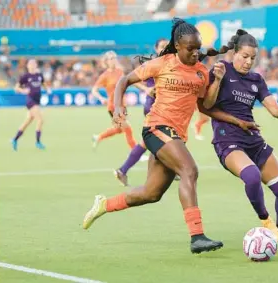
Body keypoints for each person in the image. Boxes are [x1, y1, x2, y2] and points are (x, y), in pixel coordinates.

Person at [82, 18, 248, 254]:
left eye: (197, 49)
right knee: (189, 170)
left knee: (152, 193)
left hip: (175, 135)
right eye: (190, 49)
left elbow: (206, 105)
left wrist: (218, 81)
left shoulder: (201, 72)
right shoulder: (162, 63)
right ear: (177, 46)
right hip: (156, 128)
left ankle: (104, 204)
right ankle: (197, 236)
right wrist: (118, 107)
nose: (195, 53)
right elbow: (124, 80)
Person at [199, 29, 278, 243]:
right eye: (245, 56)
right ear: (234, 53)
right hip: (228, 140)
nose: (248, 62)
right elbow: (206, 106)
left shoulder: (256, 80)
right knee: (252, 176)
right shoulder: (221, 70)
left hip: (254, 141)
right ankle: (266, 221)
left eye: (252, 58)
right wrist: (218, 80)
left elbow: (274, 111)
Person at [114, 39, 169, 186]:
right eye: (162, 46)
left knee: (156, 140)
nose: (166, 48)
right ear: (156, 49)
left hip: (166, 108)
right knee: (163, 139)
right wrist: (146, 89)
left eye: (168, 46)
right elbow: (129, 78)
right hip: (154, 107)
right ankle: (168, 168)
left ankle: (123, 170)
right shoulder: (152, 63)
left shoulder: (172, 63)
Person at [91, 51, 136, 149]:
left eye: (115, 58)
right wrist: (101, 98)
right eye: (111, 58)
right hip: (113, 107)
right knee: (127, 128)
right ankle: (136, 153)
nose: (114, 60)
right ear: (106, 61)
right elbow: (94, 90)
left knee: (119, 129)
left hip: (122, 105)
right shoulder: (105, 76)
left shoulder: (121, 71)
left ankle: (98, 137)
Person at [11, 59, 51, 151]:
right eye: (30, 64)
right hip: (31, 101)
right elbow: (16, 88)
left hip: (37, 100)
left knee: (28, 121)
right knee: (40, 120)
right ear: (28, 66)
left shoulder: (39, 76)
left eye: (34, 64)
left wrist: (47, 89)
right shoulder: (25, 76)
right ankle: (38, 142)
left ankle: (15, 139)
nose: (32, 65)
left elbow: (43, 84)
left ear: (36, 65)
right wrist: (23, 90)